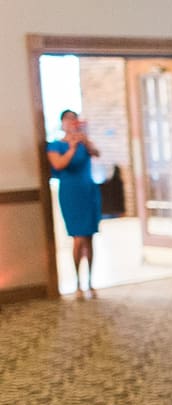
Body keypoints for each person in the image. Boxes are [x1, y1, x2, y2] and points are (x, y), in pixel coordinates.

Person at [46, 110, 102, 298]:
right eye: (68, 120)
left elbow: (97, 153)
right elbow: (59, 165)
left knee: (90, 236)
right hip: (71, 193)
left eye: (74, 119)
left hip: (88, 191)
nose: (72, 122)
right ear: (62, 123)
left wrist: (84, 142)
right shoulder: (55, 145)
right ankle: (78, 282)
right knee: (78, 237)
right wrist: (71, 147)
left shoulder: (84, 142)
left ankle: (91, 281)